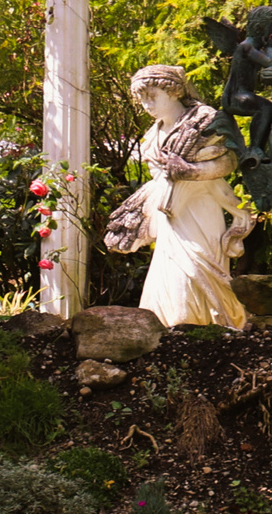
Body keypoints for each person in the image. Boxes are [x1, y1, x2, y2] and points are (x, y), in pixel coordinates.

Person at [104, 65, 252, 328]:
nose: (146, 104)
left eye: (152, 96)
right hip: (168, 214)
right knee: (168, 271)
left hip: (201, 205)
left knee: (195, 265)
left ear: (173, 91)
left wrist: (190, 171)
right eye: (142, 99)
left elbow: (229, 161)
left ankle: (210, 323)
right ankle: (171, 325)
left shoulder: (204, 121)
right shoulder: (154, 133)